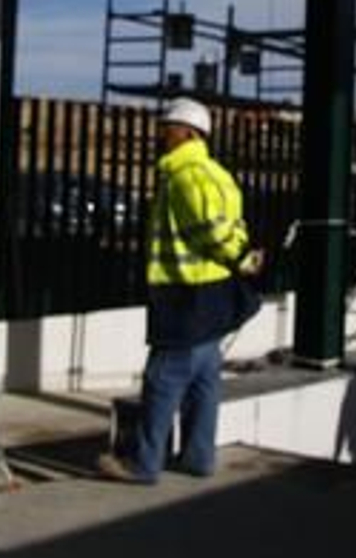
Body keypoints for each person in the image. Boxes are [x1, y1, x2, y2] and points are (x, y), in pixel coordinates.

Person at [97, 96, 263, 483]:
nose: (160, 134)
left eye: (166, 127)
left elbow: (214, 232)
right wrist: (242, 258)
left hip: (185, 297)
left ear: (188, 132)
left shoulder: (186, 176)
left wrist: (240, 257)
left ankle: (142, 464)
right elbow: (234, 225)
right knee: (204, 380)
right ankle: (197, 459)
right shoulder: (217, 174)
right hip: (212, 296)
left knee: (163, 380)